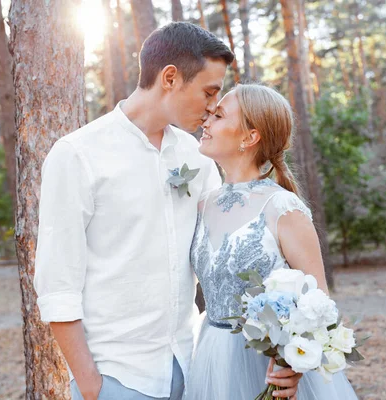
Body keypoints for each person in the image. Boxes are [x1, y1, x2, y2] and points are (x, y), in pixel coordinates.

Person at [33, 22, 301, 400]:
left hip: (193, 370)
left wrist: (286, 346)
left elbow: (228, 254)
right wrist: (91, 385)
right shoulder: (78, 155)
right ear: (171, 78)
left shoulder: (199, 157)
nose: (212, 107)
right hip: (118, 377)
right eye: (209, 92)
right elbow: (57, 284)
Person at [185, 83, 359, 399]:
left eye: (219, 115)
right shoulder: (201, 204)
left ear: (250, 137)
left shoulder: (283, 208)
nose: (205, 122)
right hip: (209, 356)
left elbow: (319, 301)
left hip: (265, 367)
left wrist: (293, 366)